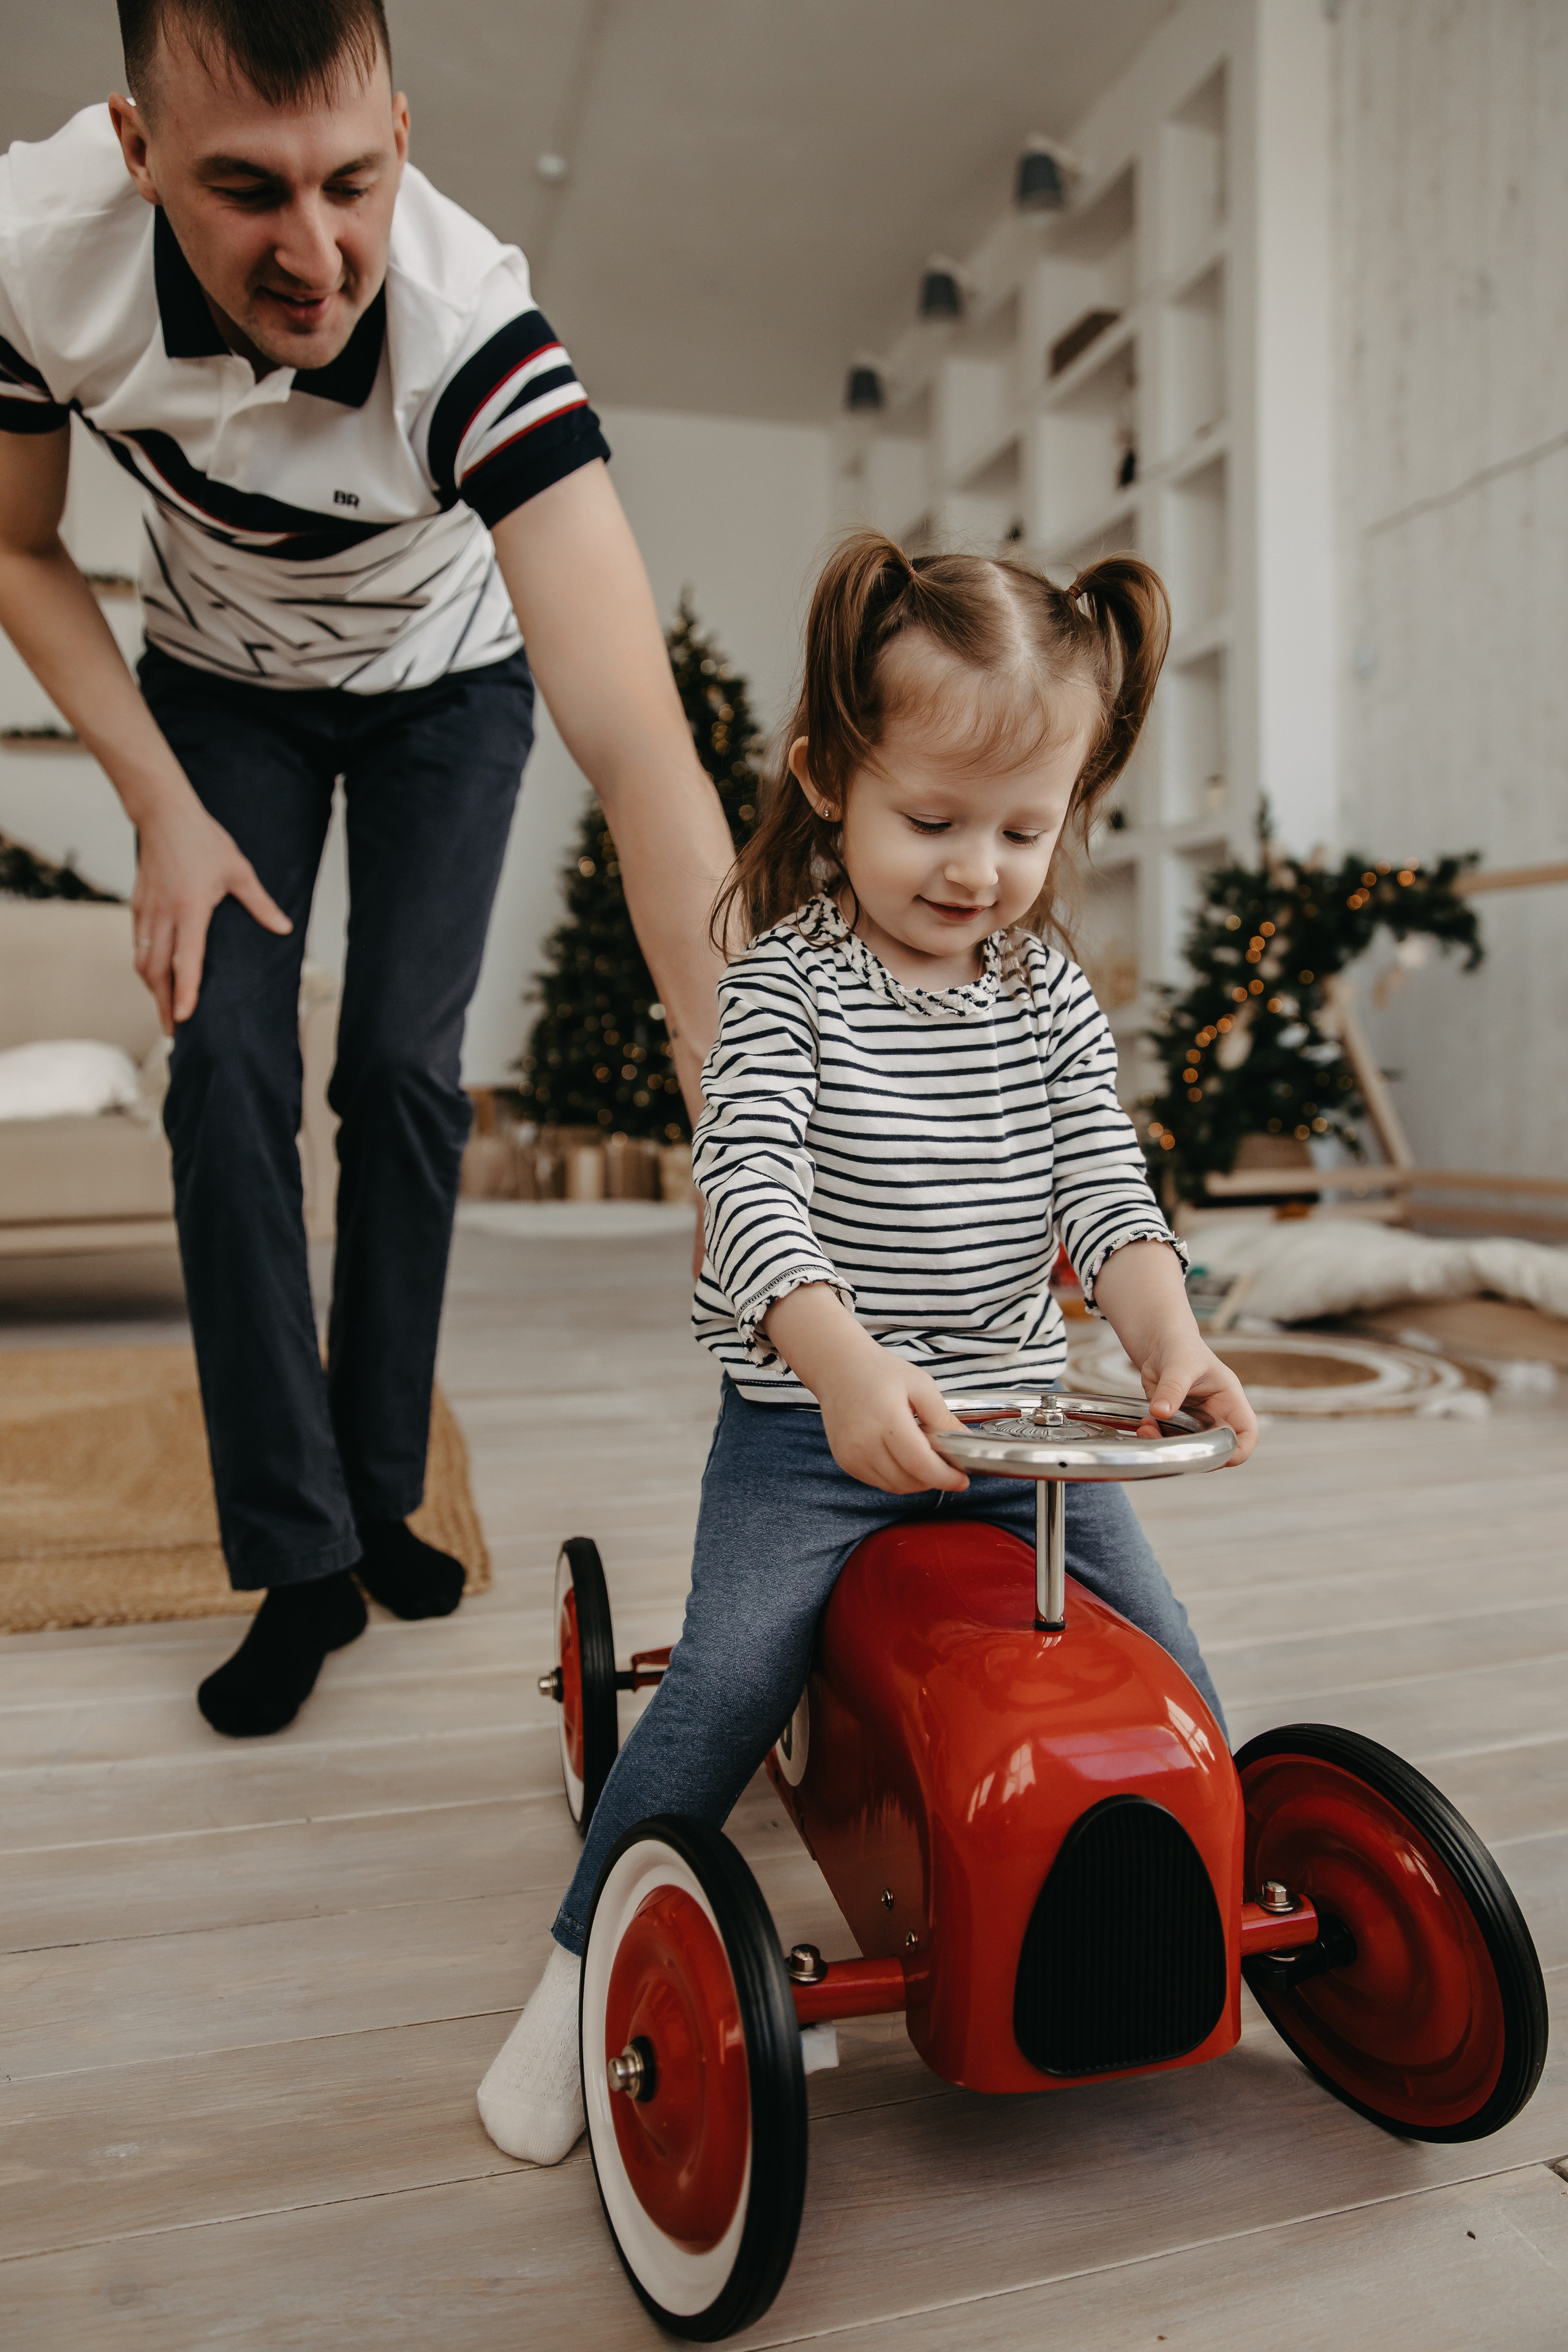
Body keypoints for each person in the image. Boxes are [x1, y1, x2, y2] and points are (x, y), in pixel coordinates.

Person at [476, 530, 1259, 2165]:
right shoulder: (785, 989)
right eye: (935, 820)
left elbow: (1107, 1195)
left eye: (1025, 830)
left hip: (1016, 1429)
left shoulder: (1048, 999)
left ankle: (1188, 1915)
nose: (979, 869)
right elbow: (749, 1190)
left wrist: (1171, 1342)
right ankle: (572, 1973)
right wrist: (840, 1366)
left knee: (1175, 1673)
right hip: (808, 1431)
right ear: (833, 781)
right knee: (724, 1685)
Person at [0, 0, 731, 1735]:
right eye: (245, 190)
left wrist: (744, 1106)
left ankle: (383, 1491)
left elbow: (643, 749)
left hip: (446, 692)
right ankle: (300, 1558)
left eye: (351, 181)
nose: (315, 253)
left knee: (401, 1069)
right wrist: (162, 806)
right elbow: (16, 548)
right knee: (223, 1068)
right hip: (217, 693)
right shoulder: (35, 256)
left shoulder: (475, 334)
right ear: (137, 148)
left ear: (402, 132)